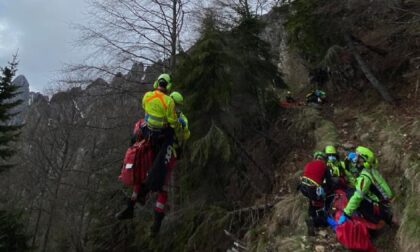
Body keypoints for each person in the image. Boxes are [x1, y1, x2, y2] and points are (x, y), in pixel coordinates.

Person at [116, 73, 180, 236]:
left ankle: (130, 205)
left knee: (139, 169)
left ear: (156, 83)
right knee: (161, 185)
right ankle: (156, 224)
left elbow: (146, 112)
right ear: (169, 87)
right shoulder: (169, 102)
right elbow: (173, 123)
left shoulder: (147, 96)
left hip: (147, 137)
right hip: (162, 142)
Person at [338, 146, 394, 226]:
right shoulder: (370, 169)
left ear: (363, 160)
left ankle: (377, 220)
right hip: (385, 202)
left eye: (358, 157)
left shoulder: (365, 177)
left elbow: (358, 196)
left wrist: (346, 213)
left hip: (382, 206)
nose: (355, 160)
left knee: (353, 195)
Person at [298, 154, 333, 235]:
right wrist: (328, 190)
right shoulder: (324, 166)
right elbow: (329, 182)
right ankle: (317, 222)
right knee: (319, 201)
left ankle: (311, 217)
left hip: (303, 187)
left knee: (312, 199)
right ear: (324, 160)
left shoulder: (309, 164)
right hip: (312, 188)